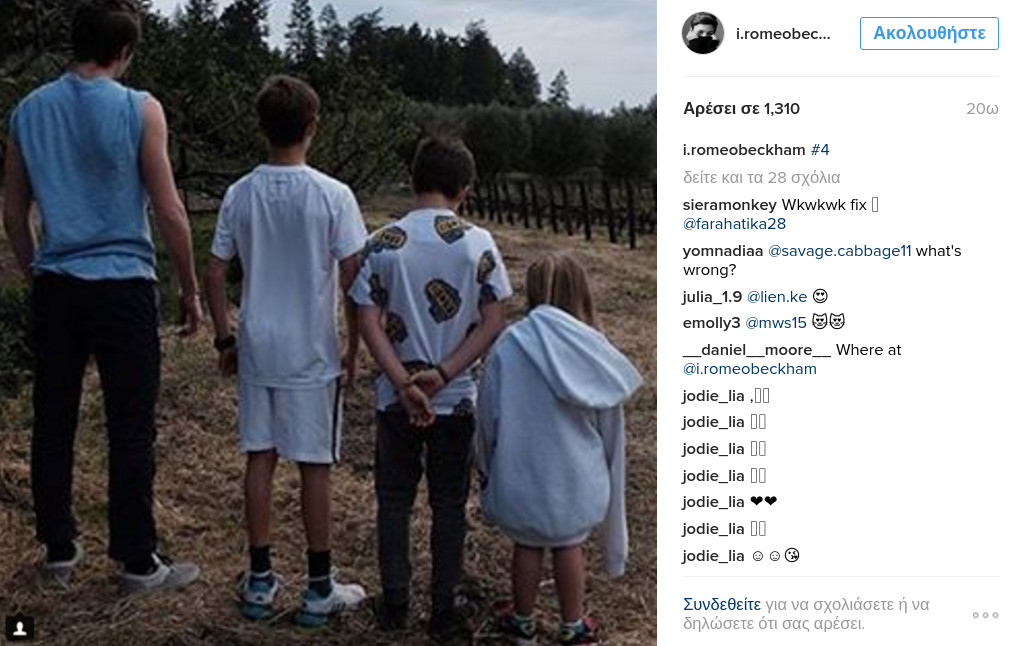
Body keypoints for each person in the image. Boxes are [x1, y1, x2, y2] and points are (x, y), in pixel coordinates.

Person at [2, 0, 202, 594]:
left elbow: (13, 212)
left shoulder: (28, 110)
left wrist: (35, 270)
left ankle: (59, 551)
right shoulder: (140, 108)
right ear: (124, 51)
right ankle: (138, 561)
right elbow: (168, 209)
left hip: (58, 285)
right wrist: (189, 287)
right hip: (124, 286)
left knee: (53, 419)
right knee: (130, 425)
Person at [205, 74, 368, 626]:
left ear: (262, 127)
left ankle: (260, 578)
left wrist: (224, 335)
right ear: (312, 126)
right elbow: (353, 277)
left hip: (257, 345)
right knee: (314, 463)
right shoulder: (333, 195)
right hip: (311, 350)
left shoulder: (240, 193)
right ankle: (319, 586)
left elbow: (216, 269)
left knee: (261, 457)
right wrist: (353, 347)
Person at [350, 136, 512, 641]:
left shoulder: (381, 243)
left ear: (413, 179)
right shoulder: (478, 243)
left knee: (393, 500)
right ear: (464, 190)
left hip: (394, 400)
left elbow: (367, 319)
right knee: (448, 503)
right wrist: (442, 374)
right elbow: (494, 320)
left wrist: (402, 381)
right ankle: (444, 608)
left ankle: (395, 603)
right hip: (455, 398)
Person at [478, 253, 642, 645]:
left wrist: (485, 462)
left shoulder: (510, 343)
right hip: (577, 476)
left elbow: (488, 410)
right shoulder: (593, 350)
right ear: (581, 292)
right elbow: (609, 424)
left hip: (521, 472)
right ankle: (572, 626)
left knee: (527, 544)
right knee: (569, 545)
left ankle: (523, 622)